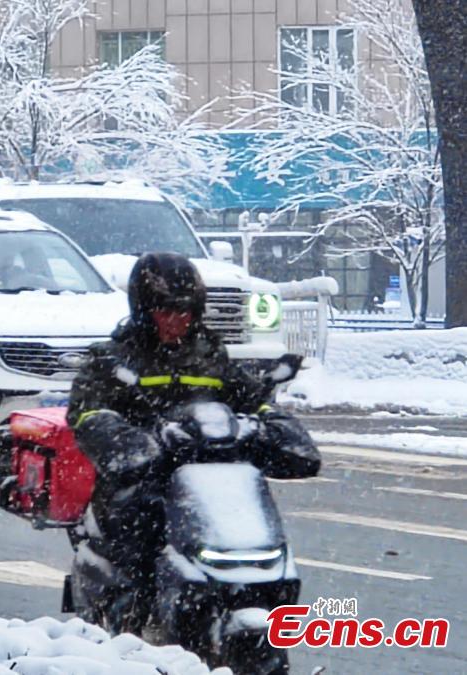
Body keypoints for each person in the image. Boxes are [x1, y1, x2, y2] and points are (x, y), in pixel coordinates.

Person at [66, 252, 320, 633]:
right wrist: (136, 444)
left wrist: (273, 427)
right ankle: (125, 634)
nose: (176, 320)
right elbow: (88, 415)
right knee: (136, 552)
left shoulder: (210, 356)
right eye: (165, 310)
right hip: (143, 485)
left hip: (208, 493)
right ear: (143, 309)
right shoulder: (112, 360)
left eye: (185, 310)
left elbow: (252, 399)